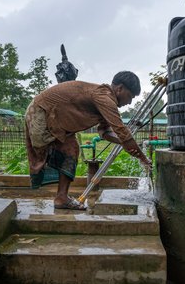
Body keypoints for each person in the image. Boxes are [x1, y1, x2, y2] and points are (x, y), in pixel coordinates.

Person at [25, 71, 152, 210]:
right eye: (130, 96)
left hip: (55, 118)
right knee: (49, 154)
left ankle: (61, 199)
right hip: (42, 111)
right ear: (120, 88)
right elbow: (122, 131)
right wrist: (142, 157)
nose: (129, 102)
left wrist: (125, 143)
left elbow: (105, 132)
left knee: (71, 149)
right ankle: (60, 197)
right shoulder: (104, 97)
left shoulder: (105, 98)